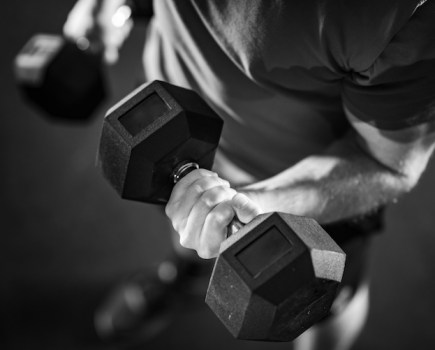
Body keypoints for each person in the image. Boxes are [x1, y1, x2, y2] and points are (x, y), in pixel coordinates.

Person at [64, 0, 435, 349]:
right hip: (167, 129)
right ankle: (183, 276)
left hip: (300, 197)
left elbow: (386, 164)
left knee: (321, 301)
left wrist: (255, 203)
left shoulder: (395, 14)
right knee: (189, 232)